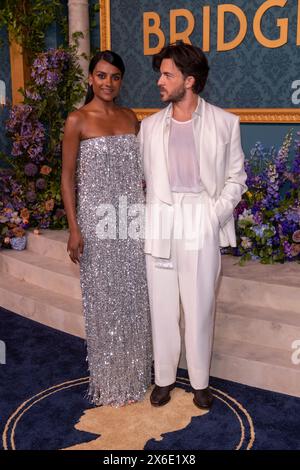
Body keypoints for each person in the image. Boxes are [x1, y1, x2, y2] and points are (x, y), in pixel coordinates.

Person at [139, 43, 247, 410]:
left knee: (200, 306)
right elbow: (145, 178)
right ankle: (164, 379)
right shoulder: (150, 127)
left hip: (201, 218)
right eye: (161, 73)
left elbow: (236, 178)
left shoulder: (224, 122)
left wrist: (213, 215)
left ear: (190, 80)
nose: (160, 81)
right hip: (162, 221)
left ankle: (200, 382)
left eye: (167, 74)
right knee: (163, 305)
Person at [61, 50, 152, 407]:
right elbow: (67, 179)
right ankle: (110, 381)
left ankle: (136, 375)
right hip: (96, 226)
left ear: (121, 81)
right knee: (103, 302)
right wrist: (73, 227)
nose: (108, 83)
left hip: (131, 222)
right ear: (90, 79)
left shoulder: (132, 118)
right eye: (101, 75)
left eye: (115, 77)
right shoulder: (77, 120)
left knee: (133, 300)